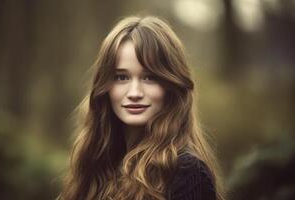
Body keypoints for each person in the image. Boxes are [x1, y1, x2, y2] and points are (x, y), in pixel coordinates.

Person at [60, 16, 225, 200]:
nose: (135, 92)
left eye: (149, 78)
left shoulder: (187, 174)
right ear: (105, 87)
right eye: (122, 77)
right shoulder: (95, 167)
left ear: (171, 87)